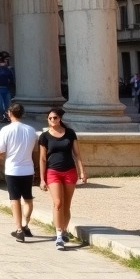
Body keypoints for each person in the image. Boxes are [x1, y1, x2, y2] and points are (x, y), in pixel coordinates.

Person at [39, 107, 87, 250]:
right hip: (53, 171)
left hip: (69, 171)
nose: (53, 120)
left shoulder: (70, 133)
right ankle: (58, 234)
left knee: (66, 204)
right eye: (50, 118)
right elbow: (42, 159)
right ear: (47, 119)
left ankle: (64, 229)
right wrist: (42, 179)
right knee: (58, 203)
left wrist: (82, 172)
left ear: (60, 119)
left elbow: (77, 154)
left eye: (55, 118)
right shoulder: (44, 136)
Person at [0, 101, 39, 242]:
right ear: (22, 114)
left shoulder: (6, 130)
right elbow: (35, 151)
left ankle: (19, 229)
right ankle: (26, 224)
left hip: (13, 168)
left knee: (15, 200)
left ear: (10, 113)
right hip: (28, 168)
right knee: (28, 198)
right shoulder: (31, 130)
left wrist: (6, 156)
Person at [0, 56, 16, 122]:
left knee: (8, 104)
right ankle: (0, 116)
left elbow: (12, 79)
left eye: (4, 62)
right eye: (2, 61)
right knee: (0, 104)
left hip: (6, 89)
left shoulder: (8, 70)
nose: (3, 63)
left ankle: (7, 116)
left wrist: (11, 88)